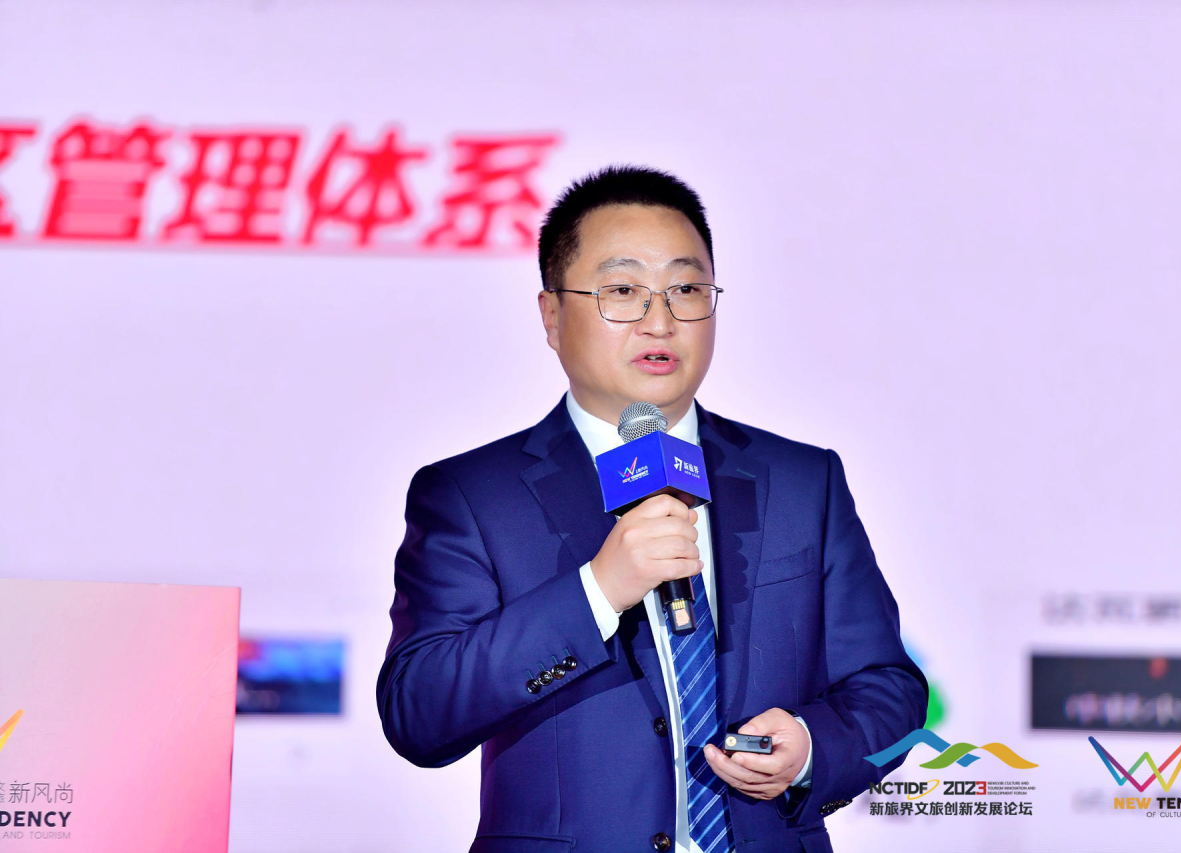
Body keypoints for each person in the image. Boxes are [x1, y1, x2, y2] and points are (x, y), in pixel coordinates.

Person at [377, 166, 927, 853]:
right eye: (622, 291)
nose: (660, 320)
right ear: (552, 316)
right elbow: (419, 713)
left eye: (686, 290)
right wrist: (598, 591)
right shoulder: (471, 494)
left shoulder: (802, 481)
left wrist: (813, 747)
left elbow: (887, 687)